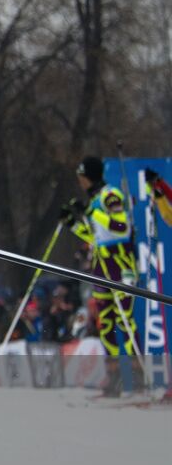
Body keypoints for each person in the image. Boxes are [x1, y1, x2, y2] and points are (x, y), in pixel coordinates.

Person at [65, 155, 142, 397]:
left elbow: (121, 227)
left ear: (89, 176)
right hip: (102, 265)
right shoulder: (95, 200)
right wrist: (72, 223)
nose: (80, 182)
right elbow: (94, 237)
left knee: (125, 320)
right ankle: (114, 377)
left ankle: (135, 379)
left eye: (82, 177)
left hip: (120, 264)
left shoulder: (110, 195)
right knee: (105, 322)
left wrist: (91, 212)